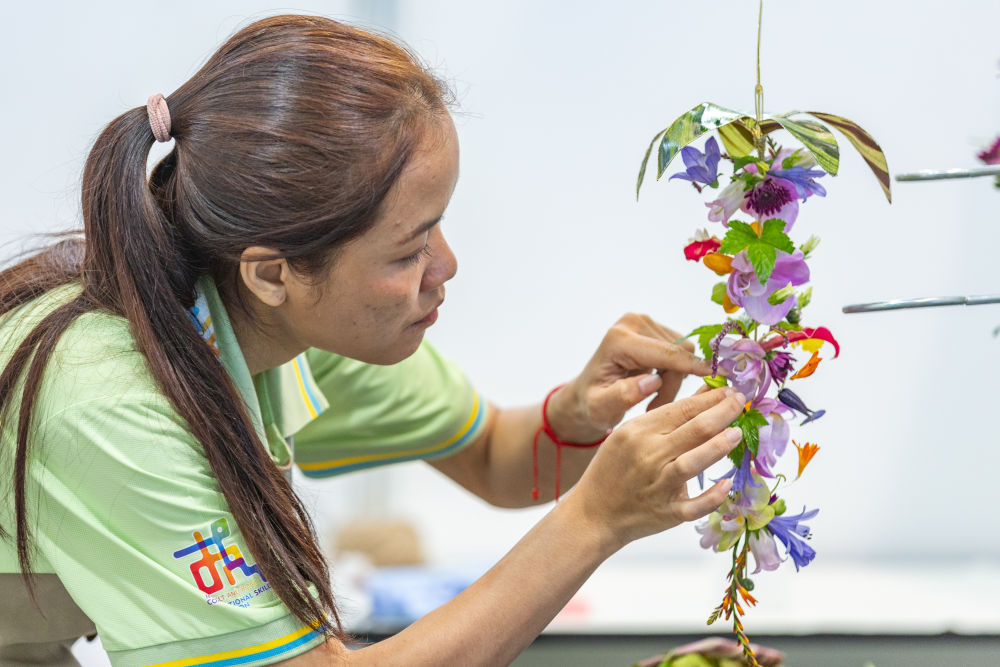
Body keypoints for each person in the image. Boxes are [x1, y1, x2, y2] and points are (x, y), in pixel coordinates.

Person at [0, 14, 744, 666]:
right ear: (272, 273)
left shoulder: (292, 323)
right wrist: (595, 520)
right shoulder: (110, 403)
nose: (447, 267)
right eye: (409, 249)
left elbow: (495, 459)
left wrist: (579, 415)